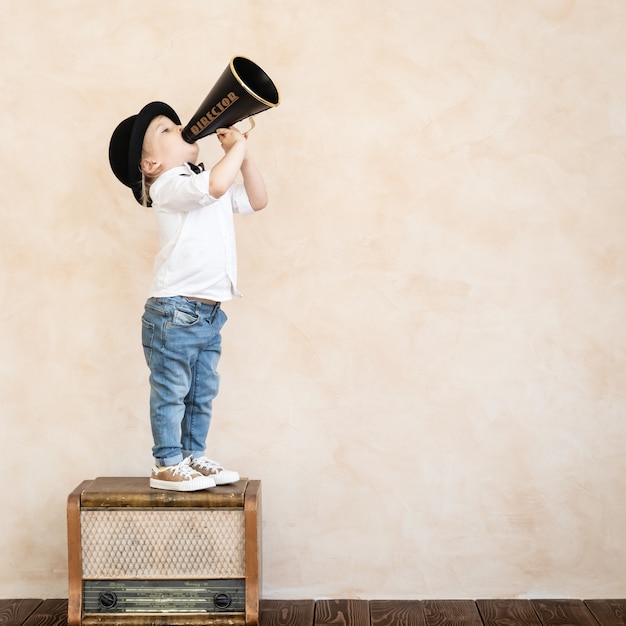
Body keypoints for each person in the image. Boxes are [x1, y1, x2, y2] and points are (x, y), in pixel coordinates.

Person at [108, 101, 267, 491]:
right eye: (165, 130)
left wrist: (242, 154)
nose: (180, 127)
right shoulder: (169, 186)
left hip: (208, 313)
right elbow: (213, 185)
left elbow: (257, 199)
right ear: (150, 165)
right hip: (174, 311)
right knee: (171, 391)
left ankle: (193, 456)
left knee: (201, 392)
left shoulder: (202, 181)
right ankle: (166, 463)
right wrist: (235, 150)